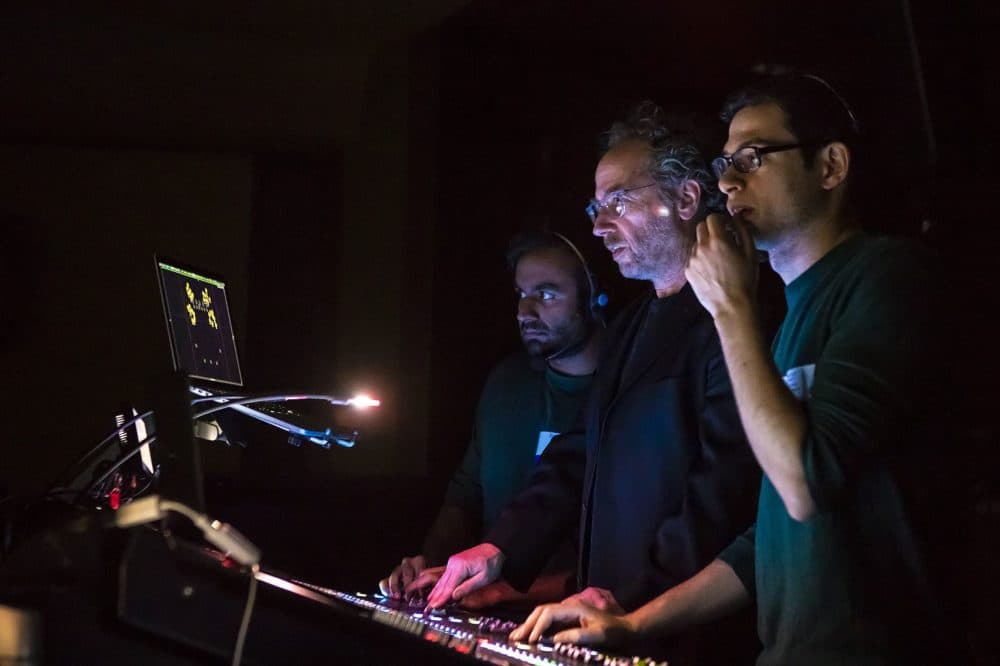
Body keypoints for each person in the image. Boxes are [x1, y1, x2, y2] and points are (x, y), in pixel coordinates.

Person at [510, 73, 964, 665]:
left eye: (752, 158)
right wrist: (633, 623)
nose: (726, 181)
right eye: (725, 161)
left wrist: (730, 307)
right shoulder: (783, 313)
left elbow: (805, 484)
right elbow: (767, 538)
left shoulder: (887, 277)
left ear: (829, 166)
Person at [413, 103, 760, 663]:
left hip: (689, 634)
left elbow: (725, 492)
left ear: (688, 200)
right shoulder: (629, 325)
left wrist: (636, 599)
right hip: (607, 625)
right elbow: (578, 453)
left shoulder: (734, 318)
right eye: (596, 208)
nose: (598, 225)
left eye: (617, 203)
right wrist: (501, 547)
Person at [378, 230, 604, 606]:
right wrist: (431, 565)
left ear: (594, 297)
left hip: (584, 616)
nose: (525, 312)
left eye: (546, 295)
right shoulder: (507, 383)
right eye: (521, 295)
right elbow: (466, 495)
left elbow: (638, 558)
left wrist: (505, 590)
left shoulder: (628, 396)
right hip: (483, 605)